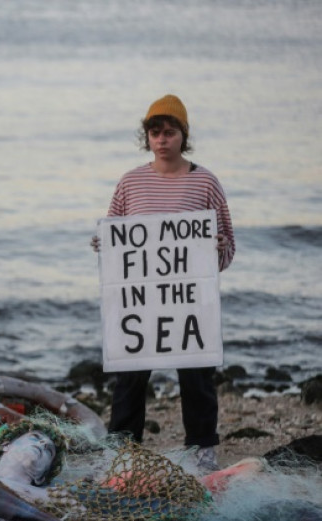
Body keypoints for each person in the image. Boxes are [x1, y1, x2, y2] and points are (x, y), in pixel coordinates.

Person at [91, 94, 235, 472]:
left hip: (190, 300)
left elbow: (228, 245)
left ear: (182, 136)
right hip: (141, 301)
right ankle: (123, 449)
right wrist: (103, 246)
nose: (162, 139)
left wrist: (218, 247)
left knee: (197, 373)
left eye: (169, 132)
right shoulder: (130, 182)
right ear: (147, 137)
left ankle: (202, 447)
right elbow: (118, 239)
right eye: (155, 132)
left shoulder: (205, 182)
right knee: (130, 376)